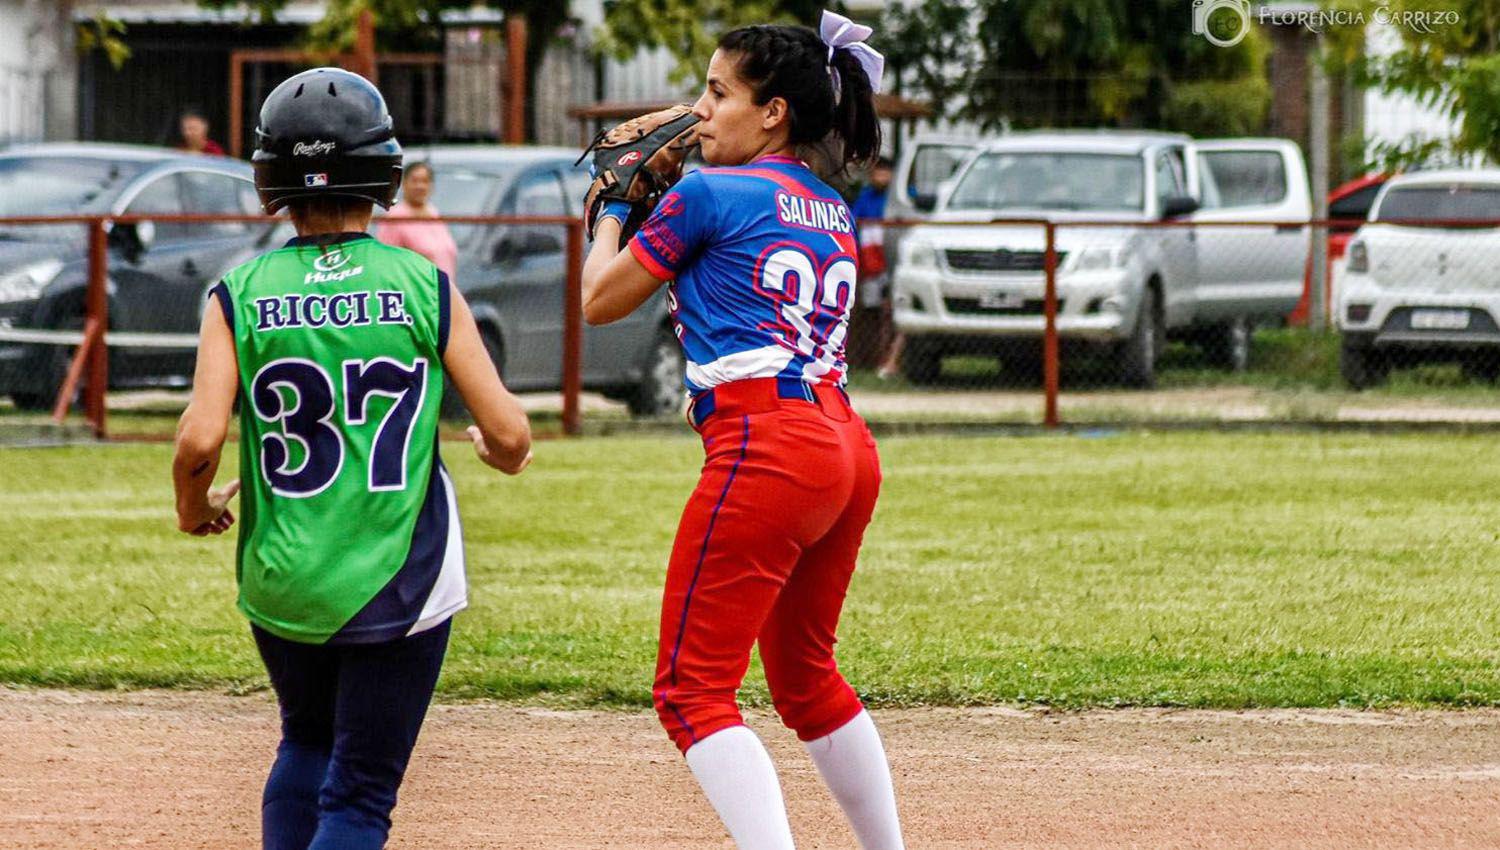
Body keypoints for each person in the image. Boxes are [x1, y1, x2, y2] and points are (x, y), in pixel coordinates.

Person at [171, 67, 532, 850]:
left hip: (285, 573)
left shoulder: (239, 290)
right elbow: (510, 436)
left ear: (272, 177)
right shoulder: (423, 284)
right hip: (402, 571)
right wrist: (493, 452)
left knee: (304, 740)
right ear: (384, 170)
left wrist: (193, 509)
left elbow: (199, 442)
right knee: (360, 793)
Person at [580, 11, 905, 850]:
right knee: (804, 678)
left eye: (719, 93)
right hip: (843, 445)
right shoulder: (830, 206)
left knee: (692, 692)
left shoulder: (708, 192)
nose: (698, 111)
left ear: (774, 115)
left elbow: (599, 300)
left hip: (773, 448)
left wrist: (614, 206)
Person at [376, 161, 458, 281]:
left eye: (425, 181)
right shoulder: (395, 218)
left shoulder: (433, 212)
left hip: (444, 291)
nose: (420, 186)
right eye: (414, 181)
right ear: (403, 184)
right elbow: (387, 262)